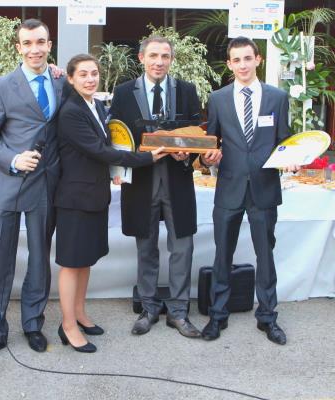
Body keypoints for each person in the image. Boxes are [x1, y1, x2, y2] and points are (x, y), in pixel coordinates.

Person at [55, 54, 166, 353]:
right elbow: (100, 151)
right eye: (83, 75)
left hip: (94, 195)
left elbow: (110, 146)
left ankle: (79, 314)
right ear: (70, 78)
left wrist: (119, 172)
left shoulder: (96, 105)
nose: (90, 79)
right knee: (71, 262)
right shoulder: (71, 111)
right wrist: (146, 158)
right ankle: (67, 325)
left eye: (94, 74)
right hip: (74, 199)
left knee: (86, 259)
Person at [0, 18, 64, 363]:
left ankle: (33, 325)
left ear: (49, 45)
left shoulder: (61, 81)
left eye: (40, 42)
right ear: (18, 47)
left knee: (39, 258)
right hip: (8, 185)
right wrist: (11, 159)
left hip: (45, 185)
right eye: (28, 43)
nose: (35, 49)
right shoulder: (1, 86)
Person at [200, 37, 298, 344]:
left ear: (258, 59)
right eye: (236, 60)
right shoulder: (217, 99)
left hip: (264, 188)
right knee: (222, 255)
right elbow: (210, 144)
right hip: (229, 187)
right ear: (229, 64)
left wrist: (292, 159)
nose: (242, 65)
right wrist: (208, 156)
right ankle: (218, 315)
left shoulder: (277, 98)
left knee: (265, 255)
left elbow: (285, 140)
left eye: (247, 58)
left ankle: (268, 317)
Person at [109, 35, 208, 338]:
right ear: (141, 58)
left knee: (183, 246)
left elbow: (197, 133)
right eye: (153, 55)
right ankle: (149, 308)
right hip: (141, 181)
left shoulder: (187, 91)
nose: (159, 62)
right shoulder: (124, 92)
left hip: (177, 179)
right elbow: (117, 136)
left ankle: (178, 311)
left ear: (171, 60)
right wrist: (120, 167)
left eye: (165, 56)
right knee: (146, 246)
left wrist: (188, 152)